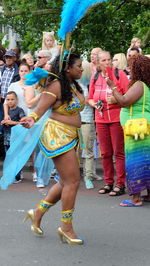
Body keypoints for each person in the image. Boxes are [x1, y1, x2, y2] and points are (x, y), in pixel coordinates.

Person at [20, 53, 85, 244]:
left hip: (70, 135)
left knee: (66, 182)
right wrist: (32, 118)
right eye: (79, 65)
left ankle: (37, 212)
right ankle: (66, 227)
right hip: (58, 136)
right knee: (72, 182)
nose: (82, 68)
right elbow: (41, 108)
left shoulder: (72, 84)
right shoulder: (56, 85)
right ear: (67, 68)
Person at [107, 54, 150, 206]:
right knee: (145, 161)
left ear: (138, 69)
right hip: (141, 125)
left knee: (135, 162)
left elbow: (125, 101)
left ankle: (136, 199)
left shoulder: (138, 85)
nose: (128, 69)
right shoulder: (144, 85)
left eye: (131, 67)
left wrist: (113, 87)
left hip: (137, 127)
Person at [88, 51, 128, 196]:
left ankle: (120, 183)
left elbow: (128, 95)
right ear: (98, 63)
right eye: (104, 60)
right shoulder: (95, 76)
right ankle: (109, 182)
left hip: (117, 118)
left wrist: (116, 99)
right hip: (101, 119)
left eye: (109, 60)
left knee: (118, 152)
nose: (107, 63)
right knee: (105, 153)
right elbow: (90, 98)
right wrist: (94, 104)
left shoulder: (119, 74)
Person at [79, 60, 102, 189]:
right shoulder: (72, 84)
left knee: (88, 150)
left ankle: (88, 176)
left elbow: (91, 99)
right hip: (74, 120)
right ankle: (73, 176)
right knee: (73, 151)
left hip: (87, 120)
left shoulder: (90, 84)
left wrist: (89, 101)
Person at [1, 91, 25, 183]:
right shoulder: (7, 112)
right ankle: (9, 175)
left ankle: (17, 176)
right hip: (7, 138)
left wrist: (12, 123)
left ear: (17, 100)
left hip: (16, 138)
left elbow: (23, 123)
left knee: (16, 157)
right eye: (8, 100)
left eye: (12, 99)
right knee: (8, 156)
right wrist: (3, 122)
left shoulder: (20, 110)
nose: (10, 101)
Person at [0, 50, 20, 134]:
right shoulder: (1, 70)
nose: (8, 59)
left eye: (10, 57)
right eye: (6, 57)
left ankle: (6, 139)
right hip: (1, 99)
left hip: (11, 101)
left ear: (14, 58)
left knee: (9, 120)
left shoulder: (17, 72)